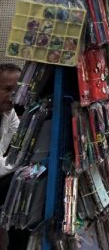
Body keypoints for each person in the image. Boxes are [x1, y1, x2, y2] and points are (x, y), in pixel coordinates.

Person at [0, 64, 21, 250]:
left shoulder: (8, 112)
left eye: (16, 90)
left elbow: (21, 138)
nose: (12, 95)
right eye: (7, 89)